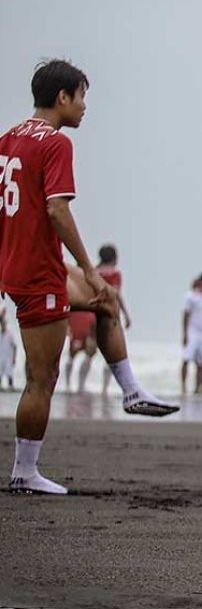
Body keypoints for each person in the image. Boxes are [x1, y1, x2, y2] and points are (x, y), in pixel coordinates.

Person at [0, 60, 177, 494]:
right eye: (81, 97)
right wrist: (88, 267)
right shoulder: (56, 144)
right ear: (62, 97)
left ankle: (131, 391)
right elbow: (58, 209)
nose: (84, 108)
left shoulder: (9, 138)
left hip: (31, 263)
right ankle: (25, 473)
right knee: (42, 378)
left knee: (106, 300)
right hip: (38, 272)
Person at [63, 244, 131, 393]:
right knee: (112, 352)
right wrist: (126, 315)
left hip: (90, 314)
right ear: (114, 258)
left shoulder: (92, 272)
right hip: (106, 315)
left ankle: (76, 385)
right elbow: (115, 294)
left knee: (85, 352)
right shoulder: (115, 274)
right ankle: (104, 389)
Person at [181, 272, 202, 395]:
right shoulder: (192, 296)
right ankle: (183, 387)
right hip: (192, 332)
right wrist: (184, 333)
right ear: (201, 282)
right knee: (186, 359)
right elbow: (186, 315)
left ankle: (200, 387)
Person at [0, 304, 17, 391]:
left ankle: (11, 386)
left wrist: (14, 357)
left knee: (9, 371)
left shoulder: (9, 334)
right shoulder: (0, 334)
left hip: (8, 356)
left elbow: (14, 346)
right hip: (1, 356)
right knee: (0, 371)